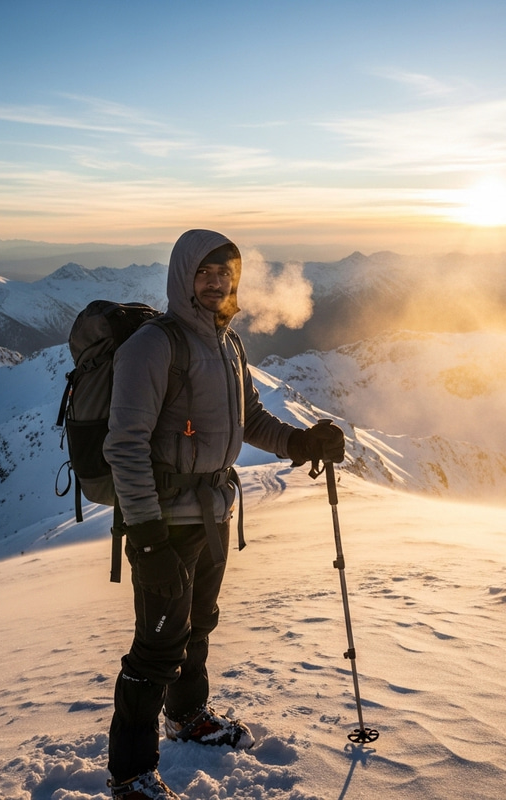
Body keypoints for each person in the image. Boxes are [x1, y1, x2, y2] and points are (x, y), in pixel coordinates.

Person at [103, 229, 345, 800]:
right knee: (157, 646)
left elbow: (252, 419)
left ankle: (187, 715)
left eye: (226, 273)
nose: (217, 282)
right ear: (184, 276)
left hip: (214, 510)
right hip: (163, 520)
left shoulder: (227, 342)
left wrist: (302, 443)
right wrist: (148, 535)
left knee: (198, 624)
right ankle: (131, 774)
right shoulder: (154, 346)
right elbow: (125, 444)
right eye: (206, 272)